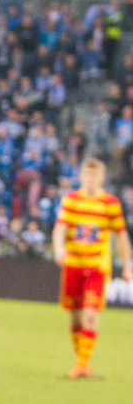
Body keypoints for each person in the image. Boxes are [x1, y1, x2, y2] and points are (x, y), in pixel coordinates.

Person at [52, 156, 132, 378]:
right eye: (87, 174)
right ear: (80, 176)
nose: (90, 178)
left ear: (102, 177)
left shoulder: (110, 203)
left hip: (97, 266)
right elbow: (60, 228)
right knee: (75, 316)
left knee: (90, 313)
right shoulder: (71, 200)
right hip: (73, 265)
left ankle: (82, 363)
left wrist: (127, 265)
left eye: (95, 174)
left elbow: (121, 235)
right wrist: (59, 248)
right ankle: (82, 362)